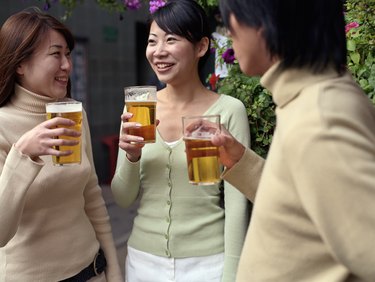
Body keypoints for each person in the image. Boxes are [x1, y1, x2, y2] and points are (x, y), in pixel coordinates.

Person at [210, 0, 375, 281]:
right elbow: (305, 207)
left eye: (231, 18)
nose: (229, 31)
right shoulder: (310, 97)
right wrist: (241, 162)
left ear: (266, 19)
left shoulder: (319, 118)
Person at [111, 0, 251, 281]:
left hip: (208, 264)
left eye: (171, 40)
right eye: (152, 41)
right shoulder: (139, 108)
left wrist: (233, 273)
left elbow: (237, 203)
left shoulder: (228, 110)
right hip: (142, 263)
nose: (158, 52)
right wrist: (131, 156)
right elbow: (123, 198)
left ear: (201, 47)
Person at [0, 8, 122, 281]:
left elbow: (91, 194)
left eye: (67, 54)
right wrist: (22, 154)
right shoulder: (2, 125)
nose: (67, 65)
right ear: (20, 64)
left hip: (91, 271)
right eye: (56, 54)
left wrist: (113, 267)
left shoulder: (73, 115)